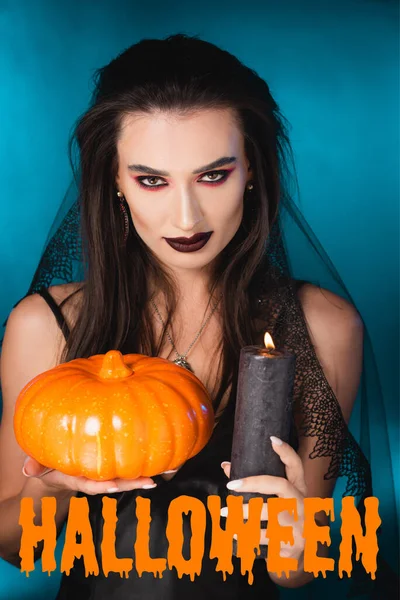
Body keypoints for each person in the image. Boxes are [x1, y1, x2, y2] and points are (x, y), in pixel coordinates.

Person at [0, 33, 391, 599]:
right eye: (151, 179)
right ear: (113, 179)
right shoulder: (46, 327)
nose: (186, 216)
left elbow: (293, 569)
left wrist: (293, 525)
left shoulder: (324, 329)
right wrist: (62, 488)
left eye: (213, 175)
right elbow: (15, 548)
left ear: (252, 169)